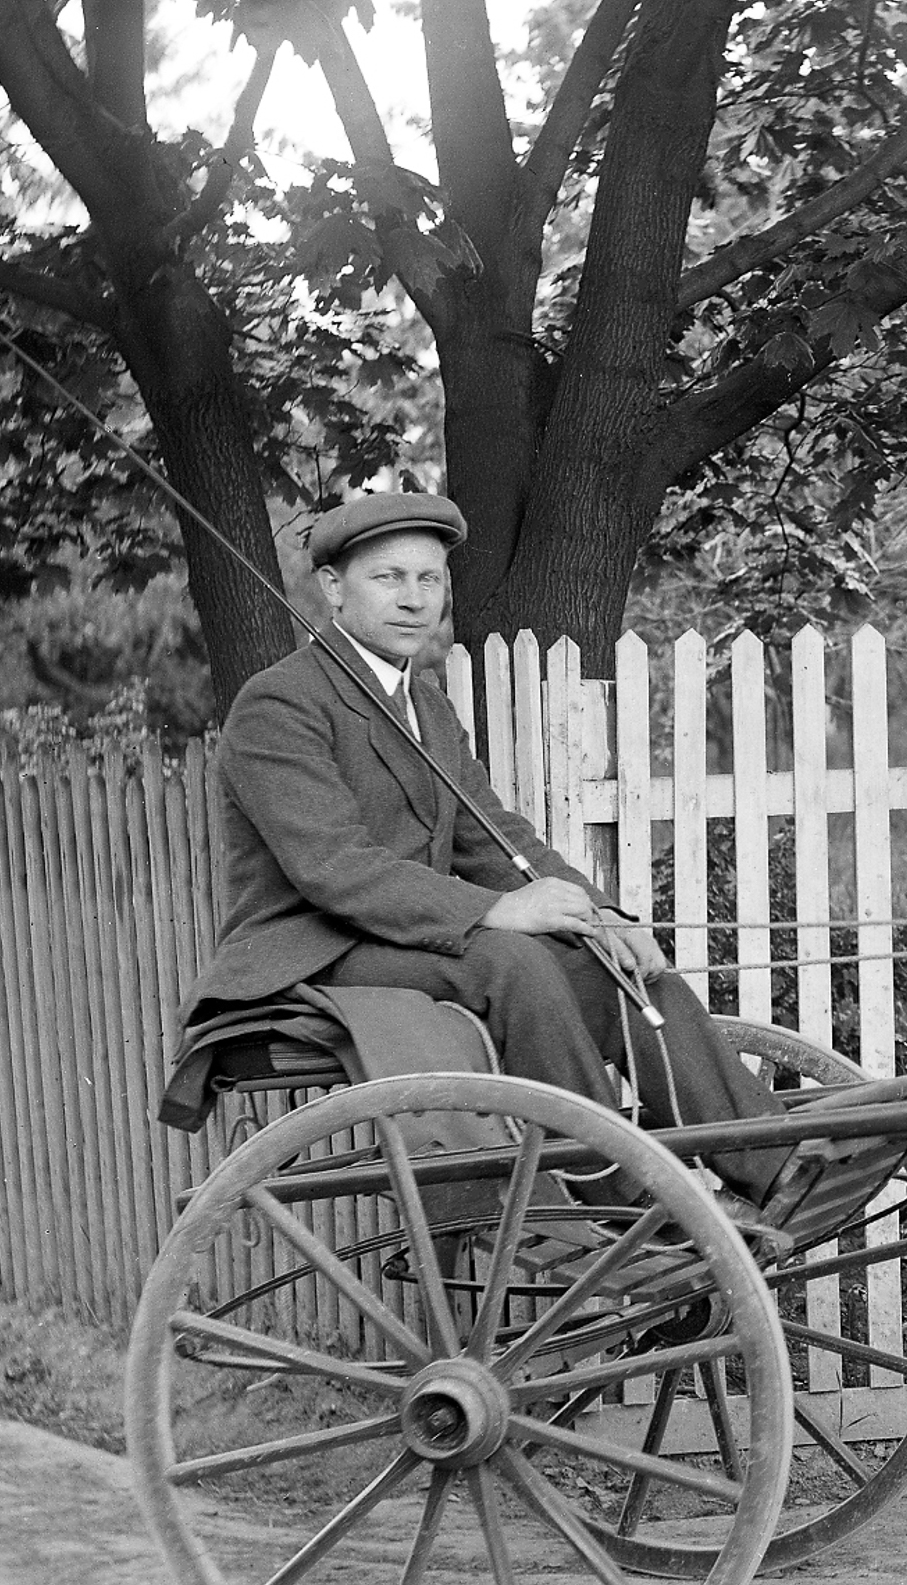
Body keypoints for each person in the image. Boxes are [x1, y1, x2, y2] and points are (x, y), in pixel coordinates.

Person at [186, 490, 782, 1194]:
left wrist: (602, 916)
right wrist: (496, 911)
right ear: (333, 588)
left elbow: (495, 837)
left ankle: (773, 1161)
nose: (414, 599)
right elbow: (334, 867)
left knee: (612, 962)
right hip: (311, 948)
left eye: (429, 579)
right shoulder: (279, 701)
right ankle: (620, 1199)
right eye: (388, 578)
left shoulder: (427, 705)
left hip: (408, 940)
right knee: (510, 960)